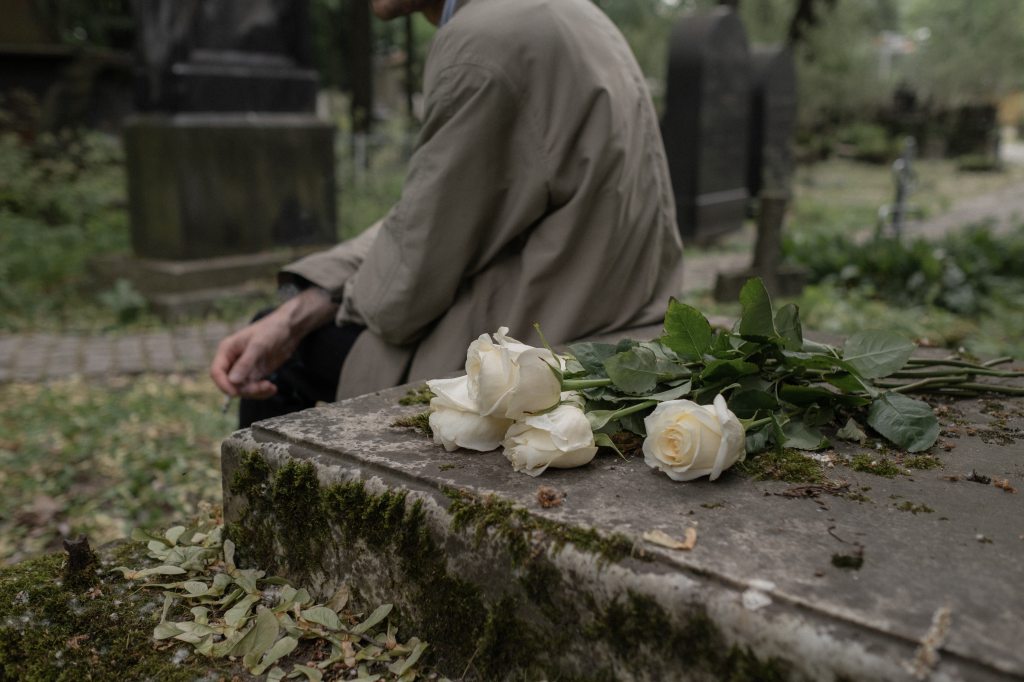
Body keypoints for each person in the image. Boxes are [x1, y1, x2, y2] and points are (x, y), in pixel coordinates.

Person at [211, 0, 684, 427]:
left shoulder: (483, 41)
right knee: (285, 324)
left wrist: (299, 313)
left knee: (283, 358)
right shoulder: (568, 13)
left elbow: (400, 294)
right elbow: (430, 217)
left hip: (540, 346)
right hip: (608, 318)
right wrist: (306, 300)